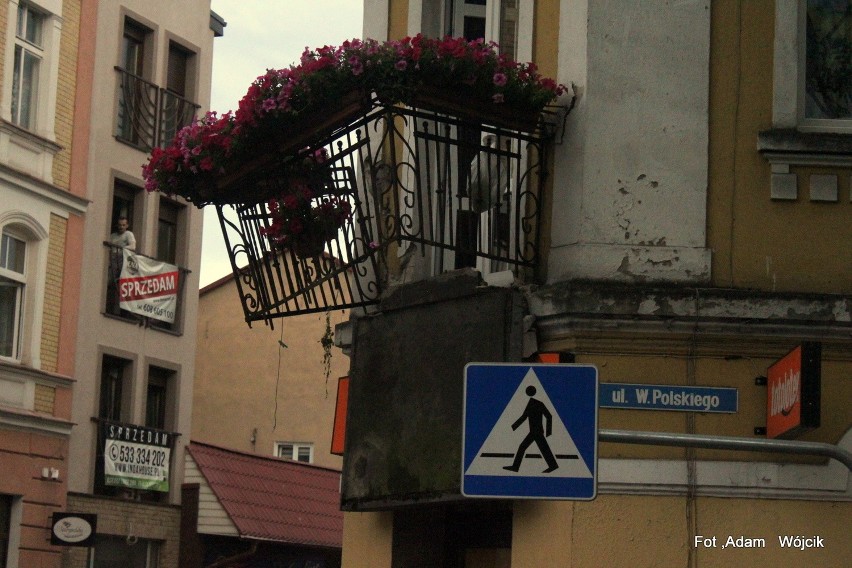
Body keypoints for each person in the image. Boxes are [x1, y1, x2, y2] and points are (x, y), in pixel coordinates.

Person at [503, 385, 559, 473]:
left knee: (537, 448)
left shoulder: (536, 403)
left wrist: (549, 432)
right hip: (533, 431)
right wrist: (512, 427)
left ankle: (516, 467)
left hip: (537, 431)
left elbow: (549, 416)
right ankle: (515, 467)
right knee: (527, 447)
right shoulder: (531, 403)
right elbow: (524, 417)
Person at [107, 217, 136, 315]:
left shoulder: (128, 234)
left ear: (127, 226)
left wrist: (120, 248)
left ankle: (121, 311)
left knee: (120, 285)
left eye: (123, 225)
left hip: (122, 262)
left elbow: (133, 246)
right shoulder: (113, 236)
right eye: (120, 225)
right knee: (110, 283)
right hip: (112, 262)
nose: (121, 227)